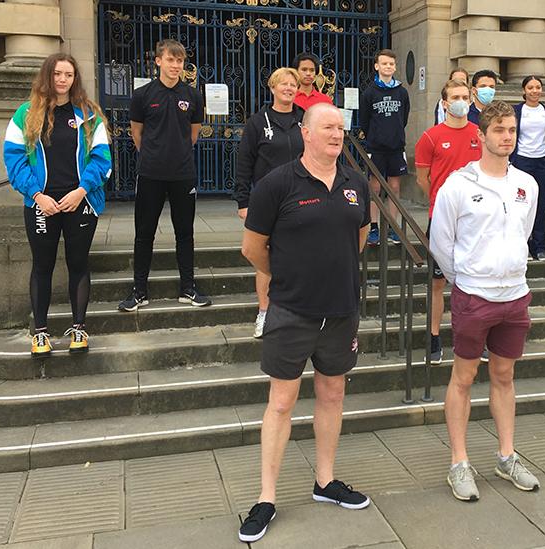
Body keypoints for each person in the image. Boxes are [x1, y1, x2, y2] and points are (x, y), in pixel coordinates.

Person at [238, 103, 372, 542]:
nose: (337, 134)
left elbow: (359, 238)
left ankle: (325, 481)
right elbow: (253, 249)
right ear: (306, 133)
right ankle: (266, 497)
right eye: (328, 127)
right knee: (281, 401)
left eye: (341, 127)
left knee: (333, 392)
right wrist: (287, 276)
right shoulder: (276, 184)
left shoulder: (356, 182)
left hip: (341, 310)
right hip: (292, 311)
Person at [429, 100, 541, 502]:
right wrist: (466, 279)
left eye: (511, 130)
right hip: (474, 295)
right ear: (481, 136)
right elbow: (441, 242)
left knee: (504, 376)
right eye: (498, 130)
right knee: (463, 377)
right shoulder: (458, 185)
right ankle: (459, 462)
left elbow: (523, 234)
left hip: (514, 295)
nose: (506, 137)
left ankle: (506, 455)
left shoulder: (528, 183)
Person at [3, 53, 111, 357]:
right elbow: (14, 160)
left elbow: (103, 159)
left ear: (75, 79)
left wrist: (81, 191)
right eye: (58, 74)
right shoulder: (25, 115)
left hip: (80, 201)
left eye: (69, 75)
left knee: (78, 265)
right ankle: (40, 333)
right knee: (42, 266)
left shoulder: (89, 115)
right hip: (42, 204)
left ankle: (79, 328)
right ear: (47, 76)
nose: (63, 80)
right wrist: (37, 195)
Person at [118, 38, 210, 312]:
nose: (175, 65)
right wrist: (154, 154)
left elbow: (193, 134)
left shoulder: (193, 95)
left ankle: (188, 289)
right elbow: (137, 133)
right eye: (170, 59)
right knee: (144, 234)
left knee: (185, 233)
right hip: (150, 174)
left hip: (183, 174)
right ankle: (139, 291)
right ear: (158, 61)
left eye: (180, 61)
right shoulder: (143, 95)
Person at [234, 67, 306, 338]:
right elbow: (244, 163)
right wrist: (243, 200)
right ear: (272, 87)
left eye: (293, 84)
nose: (288, 88)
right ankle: (265, 312)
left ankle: (296, 310)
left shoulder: (304, 119)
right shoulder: (257, 122)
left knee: (300, 255)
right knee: (265, 257)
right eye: (283, 84)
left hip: (301, 197)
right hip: (267, 200)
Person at [415, 79, 482, 363]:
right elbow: (422, 179)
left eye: (464, 96)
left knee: (474, 282)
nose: (460, 101)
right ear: (444, 103)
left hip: (475, 219)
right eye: (454, 96)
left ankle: (472, 338)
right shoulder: (430, 137)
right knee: (437, 283)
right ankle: (433, 337)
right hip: (441, 221)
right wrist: (442, 203)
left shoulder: (480, 134)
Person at [359, 48, 410, 246]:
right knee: (375, 187)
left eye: (391, 64)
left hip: (396, 147)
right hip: (376, 148)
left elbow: (404, 118)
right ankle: (373, 227)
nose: (388, 67)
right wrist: (376, 136)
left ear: (395, 67)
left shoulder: (402, 92)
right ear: (377, 66)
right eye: (384, 63)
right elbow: (364, 120)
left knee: (394, 187)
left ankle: (392, 227)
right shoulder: (370, 92)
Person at [510, 75, 545, 262]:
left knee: (541, 204)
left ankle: (539, 246)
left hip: (543, 160)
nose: (535, 91)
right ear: (524, 90)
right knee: (520, 203)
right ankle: (522, 246)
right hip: (522, 160)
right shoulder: (516, 111)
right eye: (531, 87)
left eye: (538, 87)